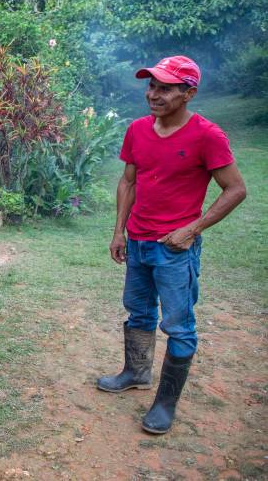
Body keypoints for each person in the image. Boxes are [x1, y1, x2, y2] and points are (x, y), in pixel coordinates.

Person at [98, 56, 246, 434]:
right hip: (139, 242)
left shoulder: (207, 136)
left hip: (175, 249)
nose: (153, 94)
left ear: (188, 93)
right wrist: (119, 231)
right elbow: (128, 181)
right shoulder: (137, 130)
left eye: (164, 88)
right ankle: (135, 372)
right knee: (139, 313)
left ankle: (165, 403)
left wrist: (193, 229)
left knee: (178, 326)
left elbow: (235, 189)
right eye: (151, 86)